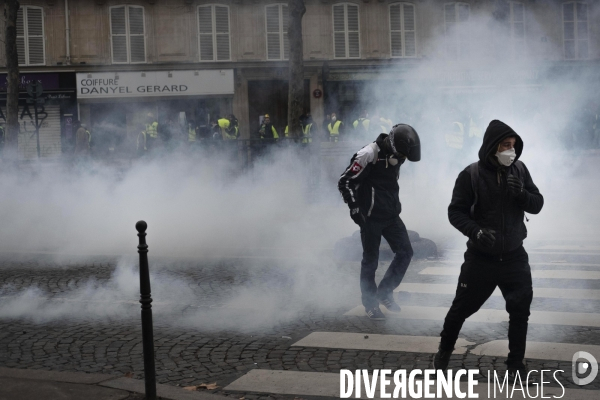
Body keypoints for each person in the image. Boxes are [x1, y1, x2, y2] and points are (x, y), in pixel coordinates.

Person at [434, 120, 544, 381]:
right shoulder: (470, 174)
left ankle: (515, 365)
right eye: (506, 146)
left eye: (513, 146)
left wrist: (522, 196)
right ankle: (442, 358)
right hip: (481, 258)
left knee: (520, 312)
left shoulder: (520, 169)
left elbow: (537, 204)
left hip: (515, 257)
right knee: (460, 310)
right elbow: (455, 212)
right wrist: (476, 231)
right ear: (493, 146)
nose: (511, 151)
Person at [338, 124, 421, 320]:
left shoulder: (398, 154)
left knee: (406, 252)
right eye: (400, 154)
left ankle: (385, 292)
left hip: (391, 215)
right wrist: (354, 208)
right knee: (370, 262)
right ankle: (370, 304)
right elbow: (345, 181)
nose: (401, 159)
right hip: (370, 217)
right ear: (392, 145)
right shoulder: (368, 154)